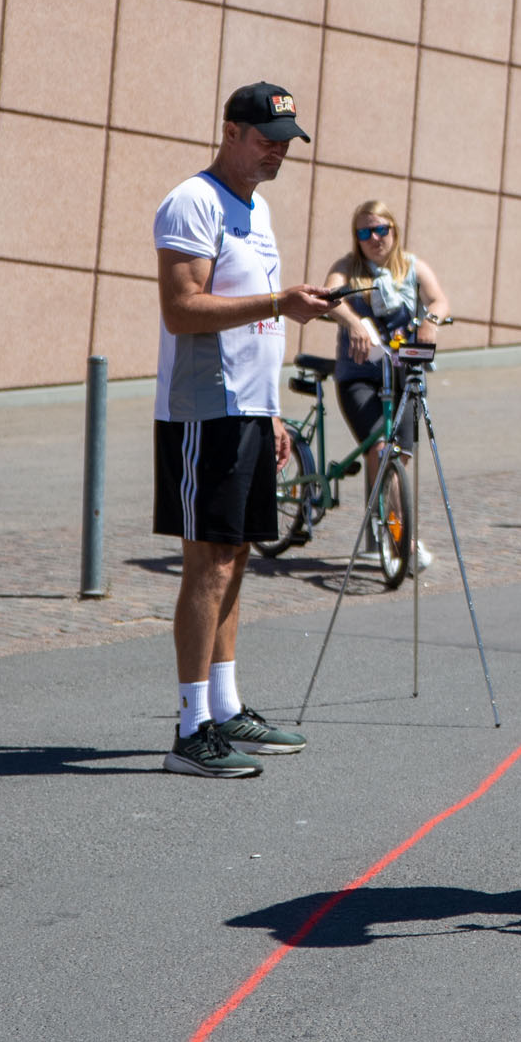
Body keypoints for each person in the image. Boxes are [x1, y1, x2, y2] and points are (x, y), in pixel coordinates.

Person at [154, 82, 334, 777]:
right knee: (209, 562)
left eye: (286, 140)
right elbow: (183, 310)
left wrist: (272, 412)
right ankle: (190, 728)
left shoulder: (254, 210)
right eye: (266, 139)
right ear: (229, 132)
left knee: (237, 558)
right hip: (206, 408)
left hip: (247, 409)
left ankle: (224, 707)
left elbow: (256, 327)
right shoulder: (193, 202)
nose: (279, 151)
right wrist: (282, 302)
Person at [322, 200, 450, 572]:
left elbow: (439, 298)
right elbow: (330, 298)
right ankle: (402, 541)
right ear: (356, 237)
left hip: (403, 372)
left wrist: (431, 320)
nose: (374, 238)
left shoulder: (412, 266)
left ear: (394, 231)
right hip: (360, 374)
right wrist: (353, 322)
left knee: (401, 458)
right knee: (380, 447)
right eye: (365, 232)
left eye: (381, 230)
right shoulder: (347, 267)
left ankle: (390, 527)